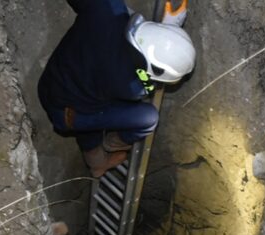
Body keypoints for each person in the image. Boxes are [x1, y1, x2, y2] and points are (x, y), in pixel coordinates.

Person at [38, 0, 196, 177]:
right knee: (147, 118)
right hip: (67, 114)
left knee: (93, 101)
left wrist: (167, 30)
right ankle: (109, 148)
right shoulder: (132, 87)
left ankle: (97, 159)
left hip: (51, 82)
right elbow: (148, 84)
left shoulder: (106, 9)